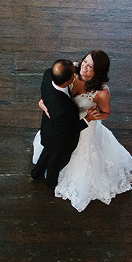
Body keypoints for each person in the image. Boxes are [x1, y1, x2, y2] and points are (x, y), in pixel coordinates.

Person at [33, 51, 132, 212]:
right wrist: (43, 103)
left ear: (98, 72)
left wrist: (92, 117)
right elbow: (53, 78)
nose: (84, 67)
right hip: (64, 124)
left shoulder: (102, 92)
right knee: (57, 150)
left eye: (91, 67)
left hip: (84, 125)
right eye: (85, 62)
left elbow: (106, 113)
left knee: (75, 152)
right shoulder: (71, 70)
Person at [31, 59, 95, 189]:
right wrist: (87, 119)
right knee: (55, 164)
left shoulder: (48, 75)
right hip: (58, 140)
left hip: (48, 129)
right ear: (67, 82)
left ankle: (35, 173)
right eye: (72, 74)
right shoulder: (61, 109)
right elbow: (67, 133)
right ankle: (51, 184)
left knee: (45, 153)